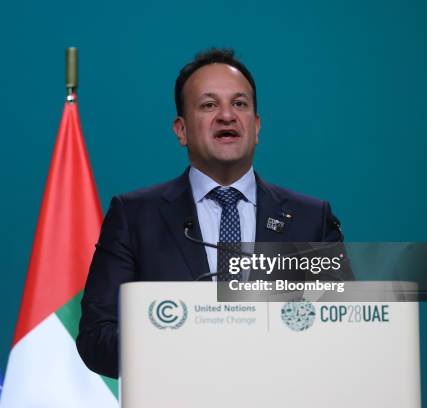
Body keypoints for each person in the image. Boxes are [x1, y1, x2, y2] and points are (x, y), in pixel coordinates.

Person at [77, 48, 345, 378]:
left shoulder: (310, 219)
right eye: (208, 105)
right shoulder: (134, 217)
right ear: (181, 130)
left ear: (257, 127)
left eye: (240, 104)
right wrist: (186, 340)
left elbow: (341, 328)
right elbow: (96, 339)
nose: (227, 115)